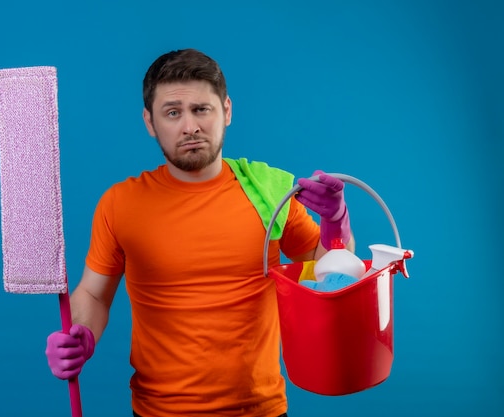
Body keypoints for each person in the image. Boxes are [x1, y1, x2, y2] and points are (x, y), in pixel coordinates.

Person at [45, 48, 354, 417]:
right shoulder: (120, 203)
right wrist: (81, 334)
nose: (189, 126)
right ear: (150, 122)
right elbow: (94, 295)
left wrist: (336, 220)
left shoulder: (268, 190)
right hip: (158, 411)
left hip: (260, 409)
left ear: (226, 110)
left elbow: (334, 271)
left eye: (201, 109)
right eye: (172, 112)